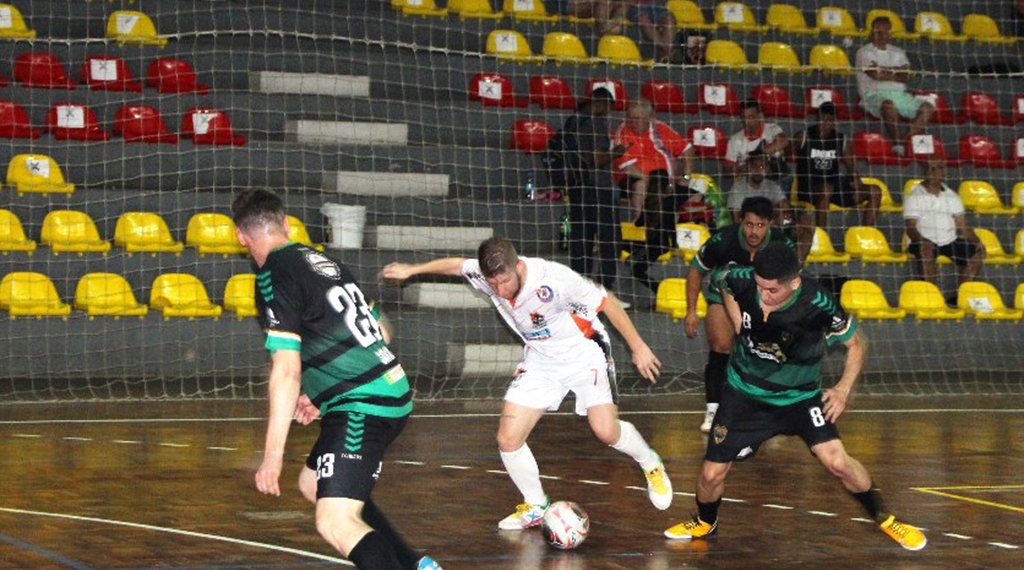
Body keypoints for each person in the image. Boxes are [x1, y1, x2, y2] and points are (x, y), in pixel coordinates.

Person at [381, 236, 673, 530]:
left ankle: (650, 461)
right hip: (541, 359)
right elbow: (457, 265)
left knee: (606, 432)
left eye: (504, 281)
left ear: (518, 266)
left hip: (585, 352)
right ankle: (535, 504)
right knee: (508, 439)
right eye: (492, 284)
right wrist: (411, 270)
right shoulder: (489, 275)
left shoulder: (554, 279)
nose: (499, 290)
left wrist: (638, 347)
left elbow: (606, 302)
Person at [664, 241, 928, 552]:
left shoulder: (817, 303)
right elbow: (720, 279)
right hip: (744, 394)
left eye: (772, 290)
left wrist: (843, 389)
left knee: (838, 462)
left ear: (794, 282)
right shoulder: (743, 279)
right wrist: (739, 323)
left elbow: (856, 344)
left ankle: (885, 518)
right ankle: (706, 522)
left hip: (800, 398)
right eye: (760, 287)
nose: (763, 296)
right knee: (710, 475)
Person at [233, 189, 441, 570]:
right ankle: (416, 565)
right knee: (314, 484)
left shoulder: (271, 278)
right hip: (389, 389)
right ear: (286, 223)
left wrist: (272, 457)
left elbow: (286, 371)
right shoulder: (321, 260)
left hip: (363, 405)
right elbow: (382, 330)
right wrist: (320, 393)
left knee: (334, 521)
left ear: (240, 237)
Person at [685, 197, 794, 433]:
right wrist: (691, 310)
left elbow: (792, 281)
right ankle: (713, 410)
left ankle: (769, 409)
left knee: (770, 349)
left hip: (763, 300)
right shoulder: (723, 240)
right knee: (721, 346)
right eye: (749, 224)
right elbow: (696, 269)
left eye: (760, 225)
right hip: (722, 296)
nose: (754, 231)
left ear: (771, 224)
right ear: (740, 220)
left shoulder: (782, 244)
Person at [561, 87, 626, 299]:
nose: (608, 113)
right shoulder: (595, 124)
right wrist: (616, 153)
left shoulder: (572, 121)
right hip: (599, 190)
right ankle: (605, 292)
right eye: (608, 108)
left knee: (581, 242)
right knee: (610, 242)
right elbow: (597, 159)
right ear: (601, 104)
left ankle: (577, 291)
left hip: (577, 188)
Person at [903, 160, 985, 302]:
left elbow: (963, 226)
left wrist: (977, 241)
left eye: (937, 168)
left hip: (948, 241)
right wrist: (922, 240)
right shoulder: (915, 195)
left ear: (943, 172)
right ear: (924, 171)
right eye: (930, 168)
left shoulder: (951, 196)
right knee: (926, 249)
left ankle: (961, 297)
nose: (933, 172)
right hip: (923, 240)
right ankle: (932, 297)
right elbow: (910, 227)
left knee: (978, 252)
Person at [794, 102, 881, 229]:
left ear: (835, 121)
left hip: (834, 187)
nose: (825, 124)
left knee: (875, 190)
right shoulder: (803, 136)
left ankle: (866, 233)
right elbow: (788, 154)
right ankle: (821, 235)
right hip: (809, 188)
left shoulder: (840, 139)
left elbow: (851, 166)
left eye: (829, 120)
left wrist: (856, 181)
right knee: (826, 189)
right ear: (817, 118)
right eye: (823, 119)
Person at [855, 16, 934, 150]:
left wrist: (883, 71)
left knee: (927, 108)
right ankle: (898, 144)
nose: (880, 35)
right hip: (873, 94)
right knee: (888, 105)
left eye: (884, 32)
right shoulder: (864, 52)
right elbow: (875, 74)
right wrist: (895, 71)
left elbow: (906, 76)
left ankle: (905, 140)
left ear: (889, 34)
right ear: (871, 33)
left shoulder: (898, 52)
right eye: (877, 32)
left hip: (899, 95)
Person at [612, 99, 696, 222]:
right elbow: (628, 169)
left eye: (637, 119)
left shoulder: (661, 128)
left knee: (696, 197)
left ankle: (681, 229)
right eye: (629, 117)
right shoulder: (623, 131)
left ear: (649, 118)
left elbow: (687, 149)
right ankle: (640, 223)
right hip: (635, 180)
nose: (632, 122)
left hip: (665, 182)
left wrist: (686, 176)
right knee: (640, 184)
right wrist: (657, 183)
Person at [628, 168, 698, 293]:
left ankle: (660, 290)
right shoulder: (670, 201)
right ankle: (658, 289)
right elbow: (670, 224)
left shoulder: (650, 201)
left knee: (637, 270)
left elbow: (639, 223)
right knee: (637, 267)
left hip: (655, 243)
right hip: (661, 243)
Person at [724, 100, 790, 188]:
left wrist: (756, 156)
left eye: (751, 117)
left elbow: (783, 141)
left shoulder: (772, 128)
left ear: (760, 116)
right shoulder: (735, 140)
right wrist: (745, 167)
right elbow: (727, 171)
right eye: (744, 117)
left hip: (776, 179)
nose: (747, 121)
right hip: (750, 181)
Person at [726, 145, 790, 224]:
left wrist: (781, 221)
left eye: (762, 166)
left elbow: (787, 212)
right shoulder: (737, 188)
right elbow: (737, 221)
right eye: (754, 165)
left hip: (770, 229)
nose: (757, 170)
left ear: (768, 169)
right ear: (747, 167)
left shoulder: (772, 186)